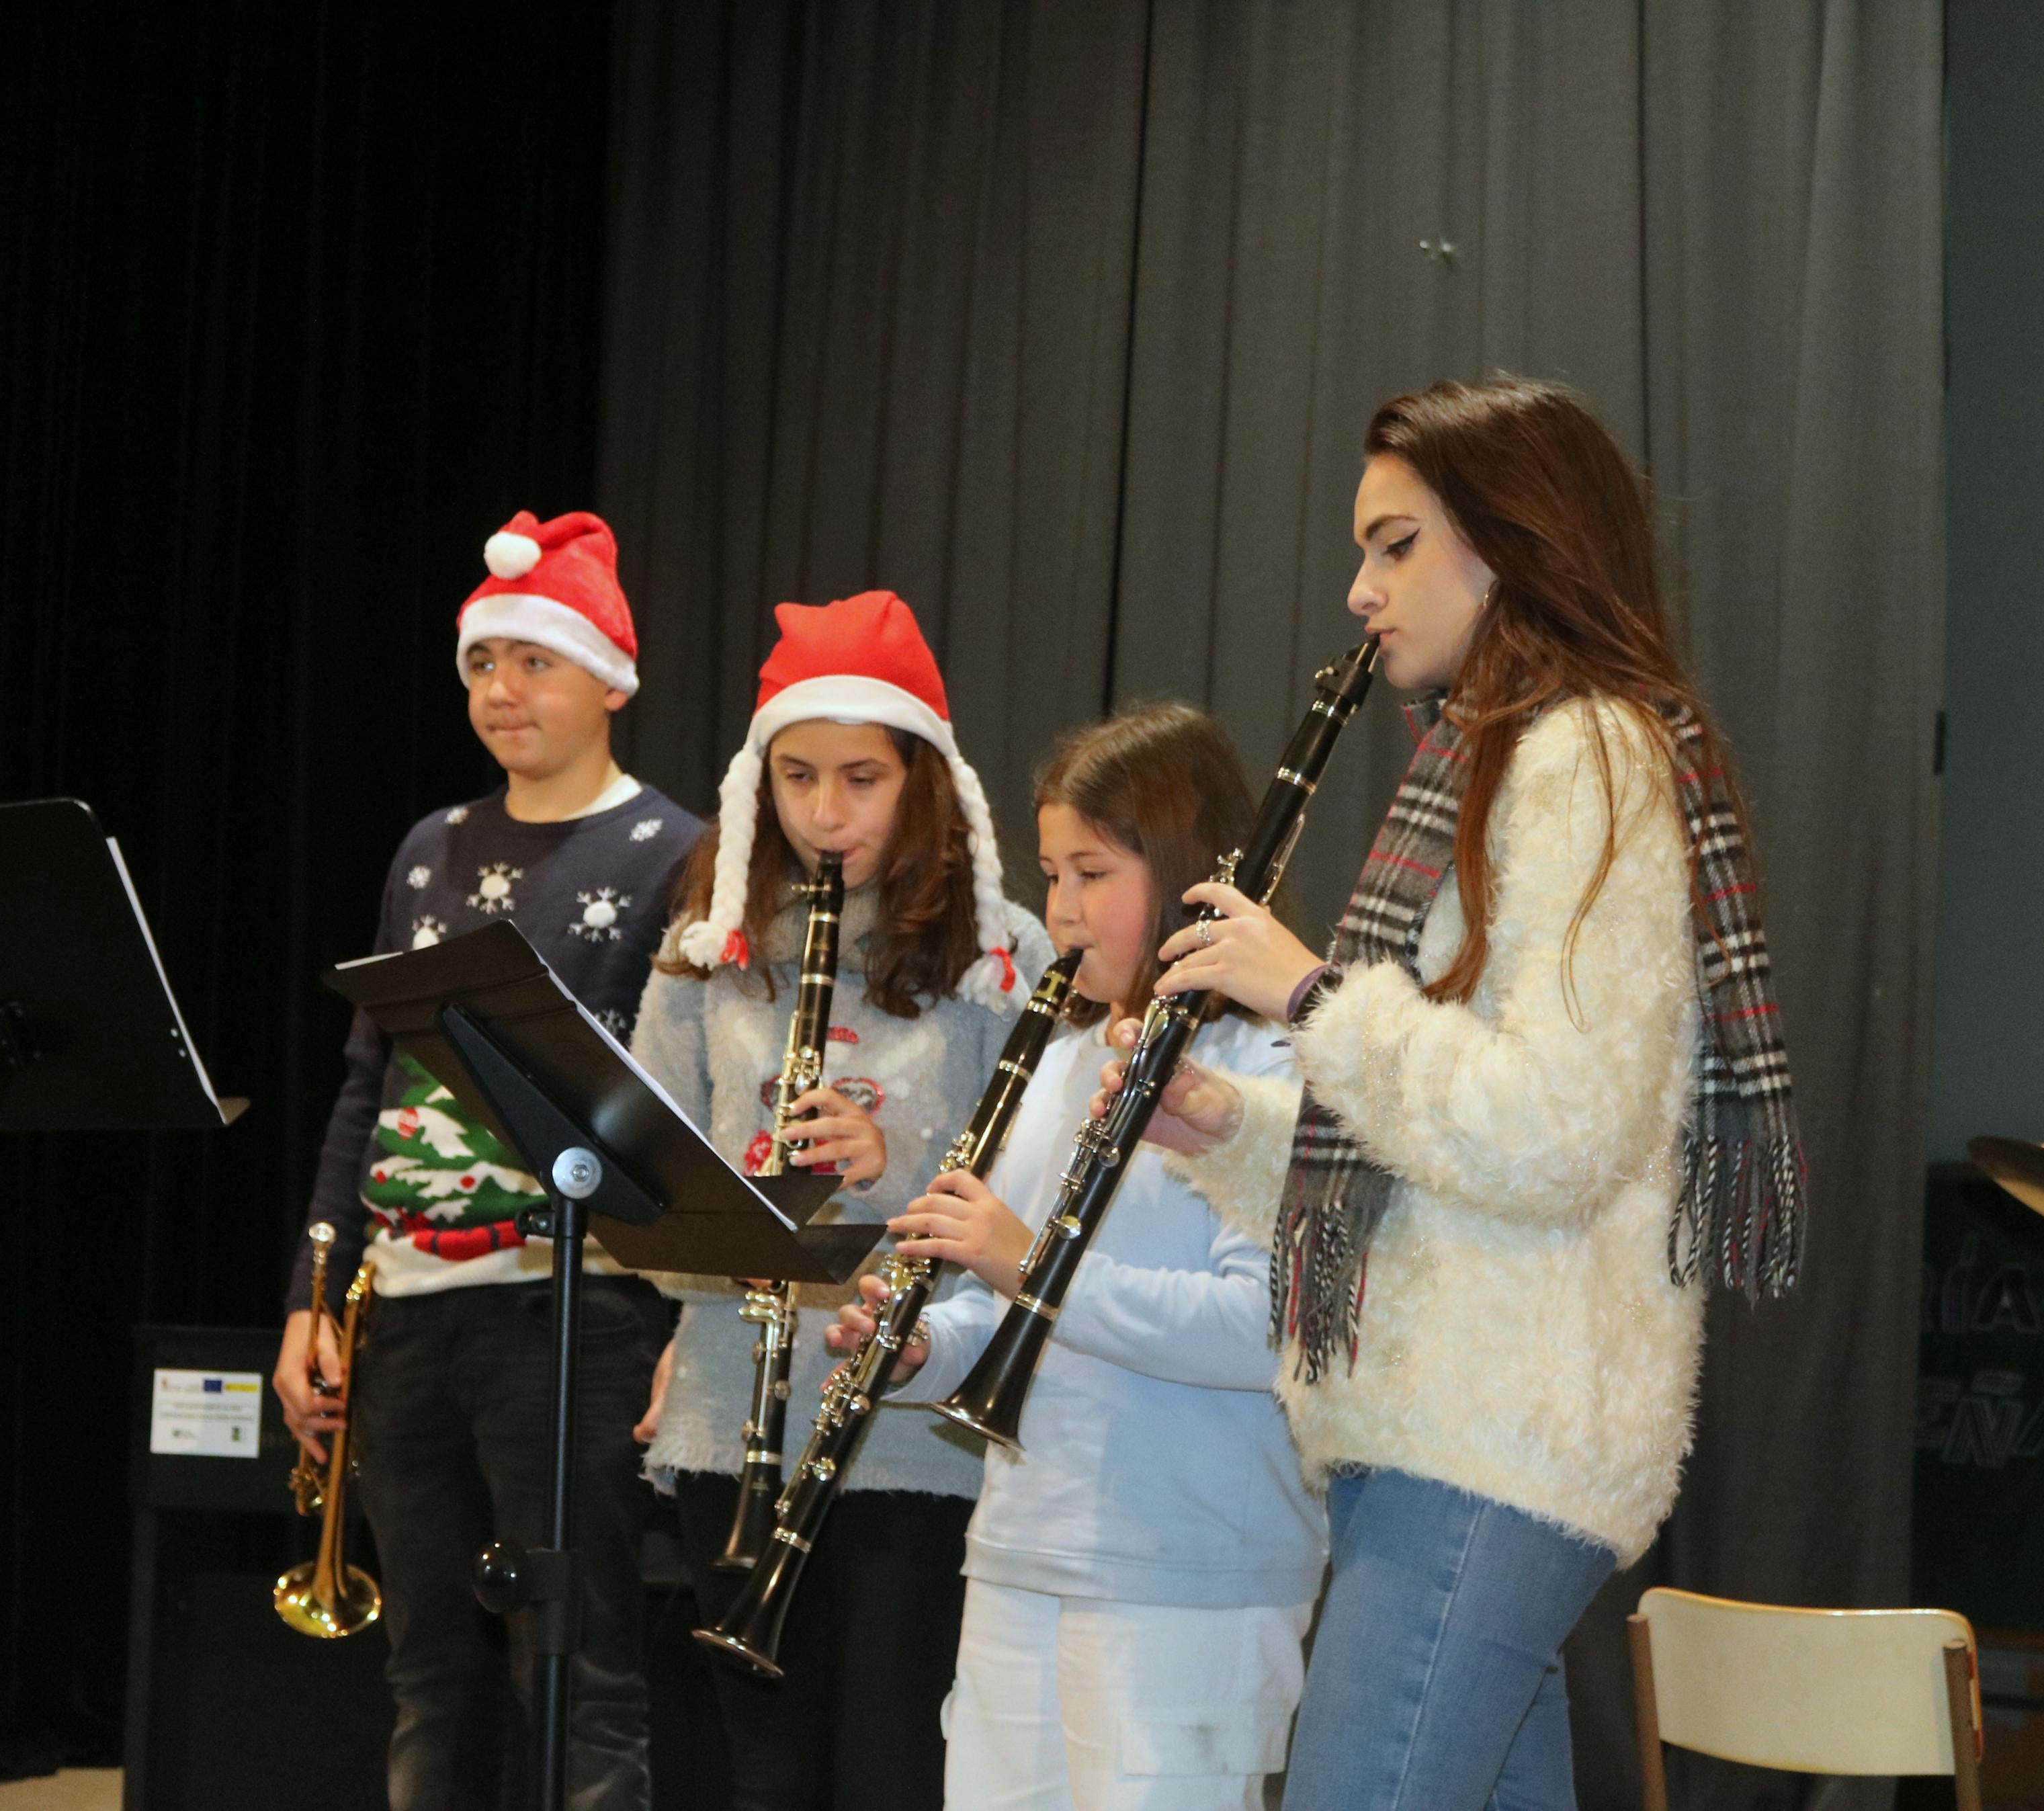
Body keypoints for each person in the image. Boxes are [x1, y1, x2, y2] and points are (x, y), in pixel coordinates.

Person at [1103, 379, 1807, 1811]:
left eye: (1395, 543)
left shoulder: (1583, 758)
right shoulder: (1504, 761)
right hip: (1448, 1426)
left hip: (1497, 1434)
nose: (1361, 592)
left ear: (1511, 539)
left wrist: (1307, 995)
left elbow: (1555, 1133)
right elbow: (1452, 1135)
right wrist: (1227, 1131)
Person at [270, 511, 700, 1811]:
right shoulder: (429, 848)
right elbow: (370, 1085)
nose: (501, 693)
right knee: (429, 1673)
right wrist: (309, 1291)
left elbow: (676, 1099)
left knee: (580, 1671)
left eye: (535, 663)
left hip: (571, 1312)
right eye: (481, 666)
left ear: (610, 680)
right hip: (406, 1310)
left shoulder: (672, 852)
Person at [831, 703, 1328, 1811]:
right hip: (1019, 1550)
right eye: (1051, 874)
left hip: (1191, 1577)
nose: (1059, 911)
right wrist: (926, 1348)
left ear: (1193, 871)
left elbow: (1264, 1336)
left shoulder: (1280, 1066)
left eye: (1092, 872)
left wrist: (1024, 1266)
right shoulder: (1057, 1067)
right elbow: (1001, 1303)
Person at [627, 589, 1055, 1811]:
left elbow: (1043, 1211)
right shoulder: (712, 946)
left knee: (887, 1769)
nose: (827, 812)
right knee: (763, 1776)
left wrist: (891, 1165)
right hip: (732, 1411)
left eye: (863, 778)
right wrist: (734, 1196)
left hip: (910, 1427)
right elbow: (649, 1201)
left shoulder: (1001, 950)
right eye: (800, 777)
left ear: (923, 779)